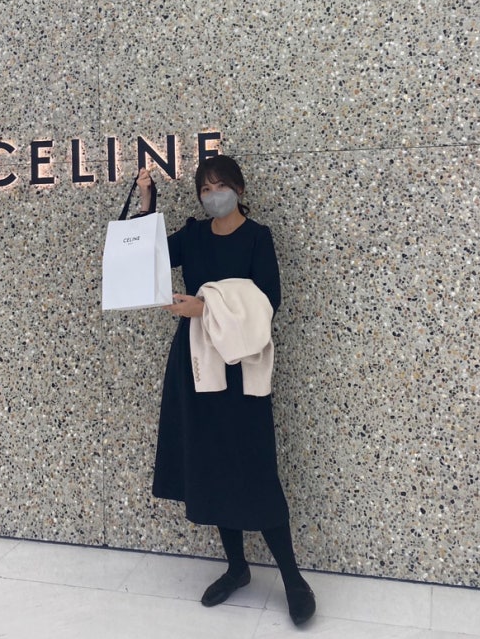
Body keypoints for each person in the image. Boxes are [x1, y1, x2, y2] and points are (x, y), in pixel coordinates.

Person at [135, 155, 316, 627]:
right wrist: (148, 202)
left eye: (221, 186)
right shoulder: (194, 236)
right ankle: (237, 567)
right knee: (213, 463)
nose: (214, 195)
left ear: (238, 188)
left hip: (241, 366)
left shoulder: (258, 237)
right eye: (205, 188)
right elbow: (145, 257)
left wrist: (205, 307)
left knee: (254, 466)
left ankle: (293, 578)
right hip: (198, 364)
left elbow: (269, 300)